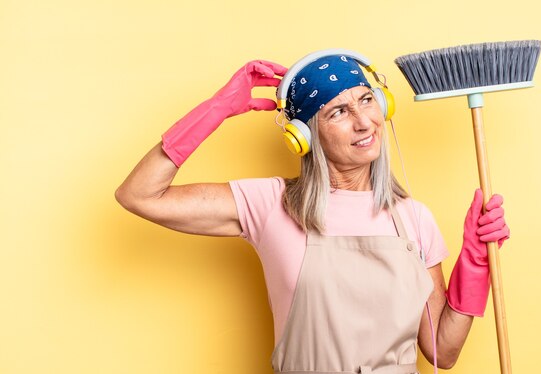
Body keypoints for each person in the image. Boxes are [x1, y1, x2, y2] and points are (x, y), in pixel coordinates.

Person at [115, 50, 510, 373]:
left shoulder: (413, 218)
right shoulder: (269, 205)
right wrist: (215, 110)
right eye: (338, 112)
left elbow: (443, 351)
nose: (363, 123)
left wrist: (475, 261)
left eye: (366, 100)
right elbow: (140, 195)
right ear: (303, 136)